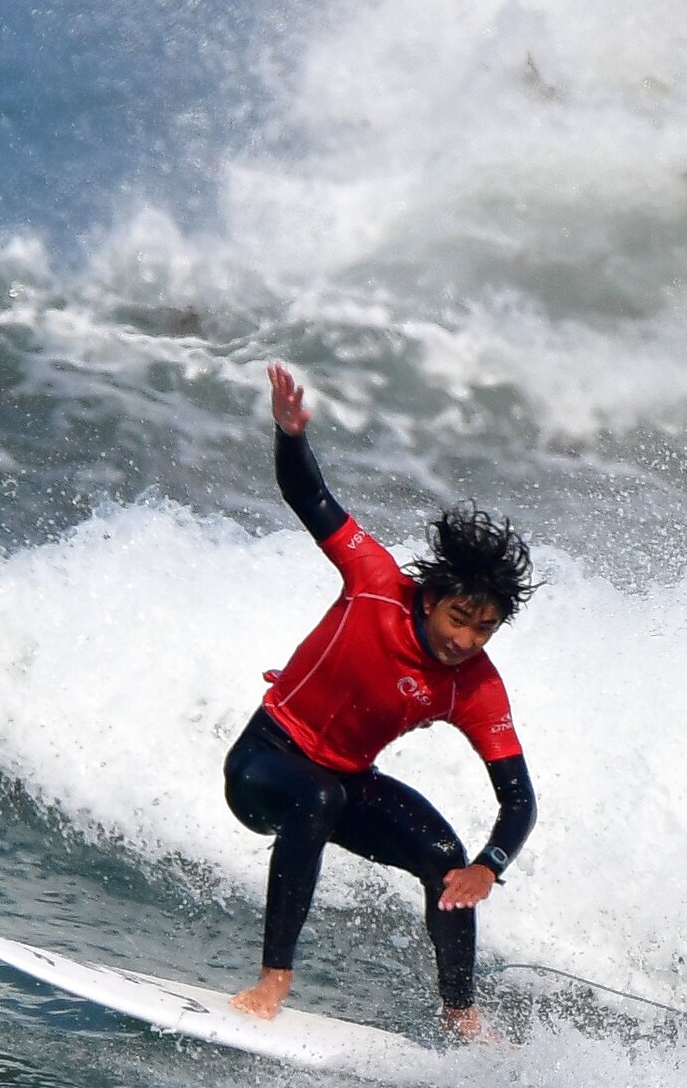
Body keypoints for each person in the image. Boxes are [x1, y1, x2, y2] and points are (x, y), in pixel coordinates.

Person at [224, 363, 538, 1038]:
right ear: (430, 600)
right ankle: (272, 979)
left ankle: (461, 1018)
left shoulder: (475, 686)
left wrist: (487, 867)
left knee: (445, 860)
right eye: (459, 619)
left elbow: (519, 800)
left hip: (342, 782)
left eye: (485, 628)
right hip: (265, 762)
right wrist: (288, 433)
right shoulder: (374, 581)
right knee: (318, 797)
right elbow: (307, 494)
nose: (466, 640)